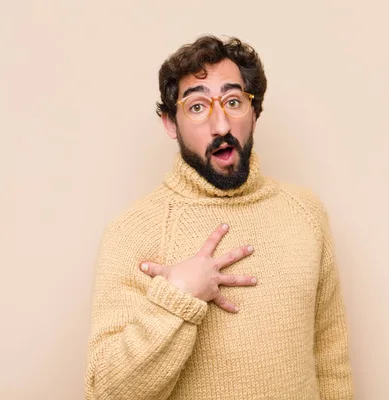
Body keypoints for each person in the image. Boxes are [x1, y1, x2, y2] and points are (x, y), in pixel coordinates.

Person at [85, 34, 353, 399]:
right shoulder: (131, 232)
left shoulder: (306, 212)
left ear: (255, 113)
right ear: (170, 123)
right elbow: (106, 392)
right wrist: (178, 296)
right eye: (197, 107)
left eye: (233, 101)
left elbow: (331, 362)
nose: (221, 126)